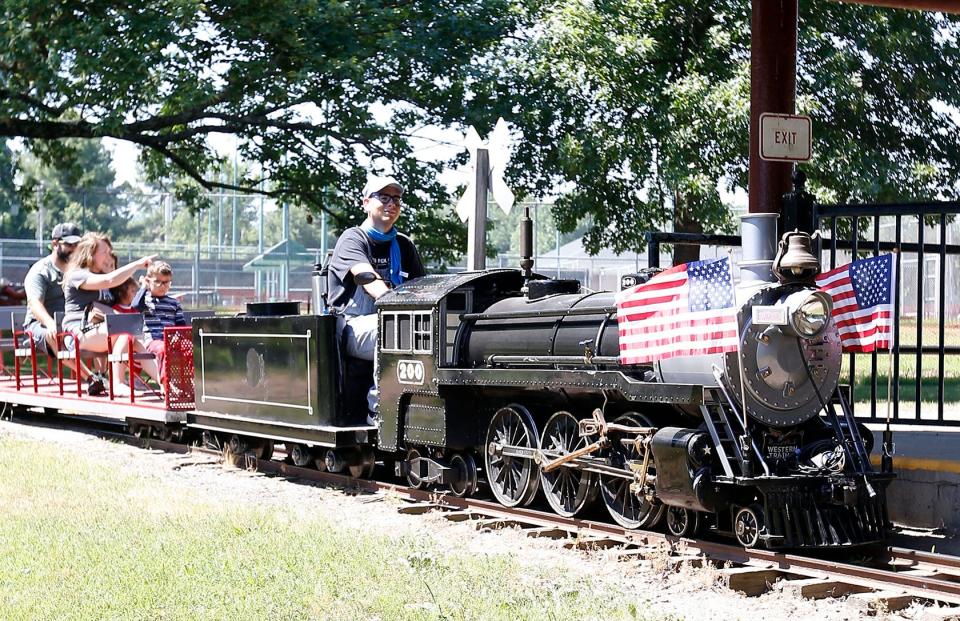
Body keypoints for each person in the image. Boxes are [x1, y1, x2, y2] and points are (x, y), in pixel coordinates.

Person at [327, 174, 425, 422]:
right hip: (350, 327)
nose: (391, 204)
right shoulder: (352, 239)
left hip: (398, 320)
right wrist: (398, 305)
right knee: (391, 330)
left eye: (397, 199)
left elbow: (422, 288)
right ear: (366, 203)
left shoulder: (404, 245)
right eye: (384, 198)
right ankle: (379, 410)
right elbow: (366, 278)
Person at [62, 233, 154, 395]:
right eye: (104, 252)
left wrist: (144, 286)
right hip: (77, 335)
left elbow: (122, 294)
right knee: (125, 332)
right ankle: (117, 383)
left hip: (97, 331)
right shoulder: (78, 274)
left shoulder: (97, 276)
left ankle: (165, 382)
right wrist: (137, 265)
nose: (108, 256)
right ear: (91, 254)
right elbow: (110, 280)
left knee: (139, 343)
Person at [21, 223, 83, 357]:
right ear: (55, 244)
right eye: (69, 244)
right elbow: (34, 304)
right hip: (38, 326)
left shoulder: (78, 271)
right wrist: (50, 324)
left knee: (100, 331)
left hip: (69, 324)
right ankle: (90, 377)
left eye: (77, 245)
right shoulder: (40, 271)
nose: (74, 249)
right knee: (54, 335)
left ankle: (101, 375)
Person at [136, 261, 186, 388]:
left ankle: (189, 384)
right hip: (153, 342)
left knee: (189, 349)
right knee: (163, 349)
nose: (163, 286)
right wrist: (143, 287)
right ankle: (166, 385)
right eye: (158, 282)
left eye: (167, 282)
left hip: (172, 340)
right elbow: (135, 306)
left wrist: (178, 336)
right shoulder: (146, 300)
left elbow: (181, 325)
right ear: (148, 281)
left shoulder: (173, 303)